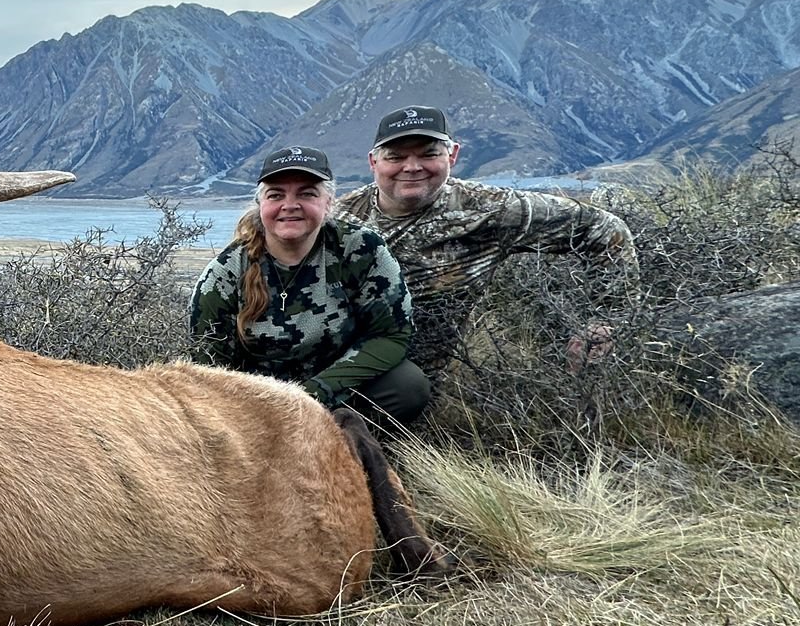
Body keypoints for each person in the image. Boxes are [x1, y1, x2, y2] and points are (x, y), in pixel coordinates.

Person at [336, 106, 641, 377]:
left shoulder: (489, 210)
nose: (412, 167)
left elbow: (603, 228)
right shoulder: (337, 219)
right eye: (396, 157)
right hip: (333, 362)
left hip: (413, 384)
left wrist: (606, 320)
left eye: (429, 154)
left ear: (452, 155)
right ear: (373, 162)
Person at [190, 145, 430, 425]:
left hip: (338, 391)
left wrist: (316, 393)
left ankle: (355, 453)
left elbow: (391, 336)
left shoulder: (361, 249)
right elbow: (209, 369)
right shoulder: (224, 274)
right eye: (276, 195)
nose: (290, 205)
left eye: (306, 193)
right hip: (259, 406)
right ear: (261, 205)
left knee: (407, 385)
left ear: (328, 202)